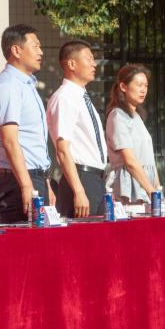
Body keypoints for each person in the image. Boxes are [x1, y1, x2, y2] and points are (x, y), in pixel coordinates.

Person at [0, 24, 54, 223]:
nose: (41, 52)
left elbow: (34, 144)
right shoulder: (8, 86)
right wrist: (26, 185)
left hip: (35, 179)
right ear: (16, 50)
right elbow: (10, 140)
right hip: (18, 182)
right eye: (35, 46)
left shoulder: (27, 84)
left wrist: (46, 184)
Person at [47, 41, 108, 218]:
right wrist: (79, 191)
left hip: (95, 179)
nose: (94, 64)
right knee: (83, 234)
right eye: (89, 59)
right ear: (72, 64)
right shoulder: (65, 97)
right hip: (81, 178)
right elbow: (62, 149)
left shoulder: (81, 97)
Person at [105, 64, 160, 206]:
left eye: (146, 85)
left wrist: (157, 189)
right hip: (128, 188)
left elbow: (149, 161)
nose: (143, 90)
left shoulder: (137, 117)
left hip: (146, 187)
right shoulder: (117, 116)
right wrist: (151, 191)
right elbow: (129, 160)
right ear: (123, 86)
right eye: (139, 85)